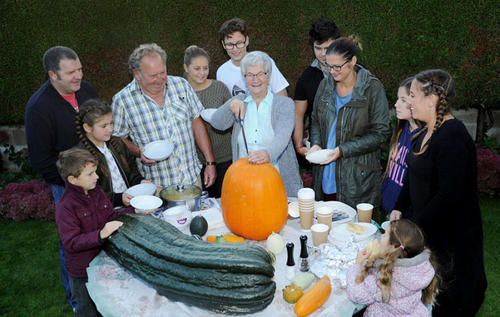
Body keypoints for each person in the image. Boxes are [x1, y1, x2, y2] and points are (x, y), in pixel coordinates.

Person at [390, 69, 487, 316]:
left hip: (453, 246)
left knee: (449, 305)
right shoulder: (423, 132)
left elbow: (447, 197)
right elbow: (413, 178)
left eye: (412, 95)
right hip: (430, 237)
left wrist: (412, 228)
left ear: (431, 100)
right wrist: (400, 207)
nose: (408, 100)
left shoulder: (452, 137)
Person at [25, 45, 98, 309]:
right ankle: (77, 299)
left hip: (95, 177)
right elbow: (40, 160)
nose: (79, 76)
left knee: (101, 232)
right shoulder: (38, 108)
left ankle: (103, 291)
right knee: (73, 242)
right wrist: (73, 180)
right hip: (67, 187)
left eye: (79, 69)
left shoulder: (86, 90)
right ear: (52, 75)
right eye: (71, 72)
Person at [112, 43, 216, 189]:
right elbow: (117, 139)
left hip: (192, 178)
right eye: (153, 75)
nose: (160, 79)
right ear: (137, 74)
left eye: (163, 72)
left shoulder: (181, 85)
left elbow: (196, 122)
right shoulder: (122, 100)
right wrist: (138, 151)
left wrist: (210, 162)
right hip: (155, 186)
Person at [308, 37, 391, 208]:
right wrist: (316, 143)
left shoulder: (372, 89)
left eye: (337, 66)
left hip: (356, 181)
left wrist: (343, 150)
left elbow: (381, 134)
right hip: (325, 175)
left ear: (353, 61)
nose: (332, 71)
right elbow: (315, 120)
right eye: (329, 66)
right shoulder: (325, 85)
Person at [210, 51, 303, 197]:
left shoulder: (284, 104)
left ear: (268, 75)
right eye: (250, 75)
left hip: (277, 180)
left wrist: (267, 154)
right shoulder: (239, 101)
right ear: (244, 77)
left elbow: (283, 136)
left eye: (260, 74)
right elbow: (217, 123)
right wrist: (230, 106)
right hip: (244, 182)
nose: (255, 80)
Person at [55, 148, 135, 316]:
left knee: (109, 308)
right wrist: (100, 235)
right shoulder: (65, 208)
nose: (97, 177)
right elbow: (71, 242)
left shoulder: (96, 191)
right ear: (73, 179)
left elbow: (111, 216)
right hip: (82, 273)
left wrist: (135, 210)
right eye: (90, 174)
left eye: (95, 172)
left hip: (105, 264)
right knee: (88, 311)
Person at [346, 219, 439, 316]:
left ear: (393, 247)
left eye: (385, 234)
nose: (381, 236)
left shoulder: (385, 276)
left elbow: (356, 295)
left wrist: (356, 265)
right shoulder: (421, 268)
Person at [75, 99, 152, 207]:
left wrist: (140, 182)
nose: (110, 129)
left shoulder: (118, 143)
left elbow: (132, 171)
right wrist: (118, 199)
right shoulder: (80, 156)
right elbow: (89, 193)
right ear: (87, 127)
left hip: (130, 206)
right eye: (104, 126)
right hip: (104, 213)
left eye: (111, 123)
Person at [183, 45, 232, 198]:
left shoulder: (219, 88)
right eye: (197, 68)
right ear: (186, 67)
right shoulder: (181, 93)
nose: (202, 73)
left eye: (205, 68)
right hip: (198, 161)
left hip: (226, 157)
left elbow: (233, 118)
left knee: (227, 201)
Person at [294, 18, 341, 161]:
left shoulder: (355, 70)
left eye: (327, 48)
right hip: (320, 144)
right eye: (318, 48)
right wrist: (299, 147)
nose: (322, 54)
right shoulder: (306, 78)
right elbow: (298, 116)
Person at [216, 18, 289, 97]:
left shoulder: (265, 62)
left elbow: (282, 97)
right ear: (223, 44)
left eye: (239, 43)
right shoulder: (221, 72)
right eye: (230, 44)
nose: (235, 49)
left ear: (247, 40)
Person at [381, 77, 421, 214]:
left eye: (403, 100)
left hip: (407, 215)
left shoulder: (422, 139)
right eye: (398, 99)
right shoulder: (401, 130)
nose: (396, 104)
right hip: (390, 209)